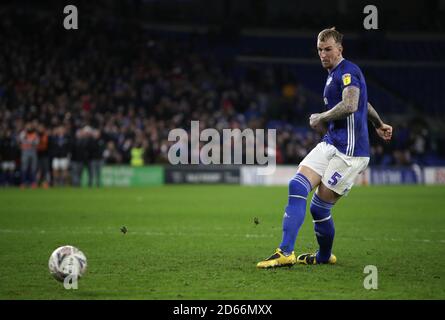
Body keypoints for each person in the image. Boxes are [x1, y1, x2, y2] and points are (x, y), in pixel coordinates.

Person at [257, 27, 393, 268]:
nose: (323, 54)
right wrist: (379, 123)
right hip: (332, 142)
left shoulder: (349, 70)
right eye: (320, 49)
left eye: (328, 49)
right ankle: (285, 252)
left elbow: (351, 104)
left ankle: (323, 256)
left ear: (340, 49)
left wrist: (322, 116)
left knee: (319, 209)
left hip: (350, 153)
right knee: (297, 184)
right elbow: (363, 101)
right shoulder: (332, 74)